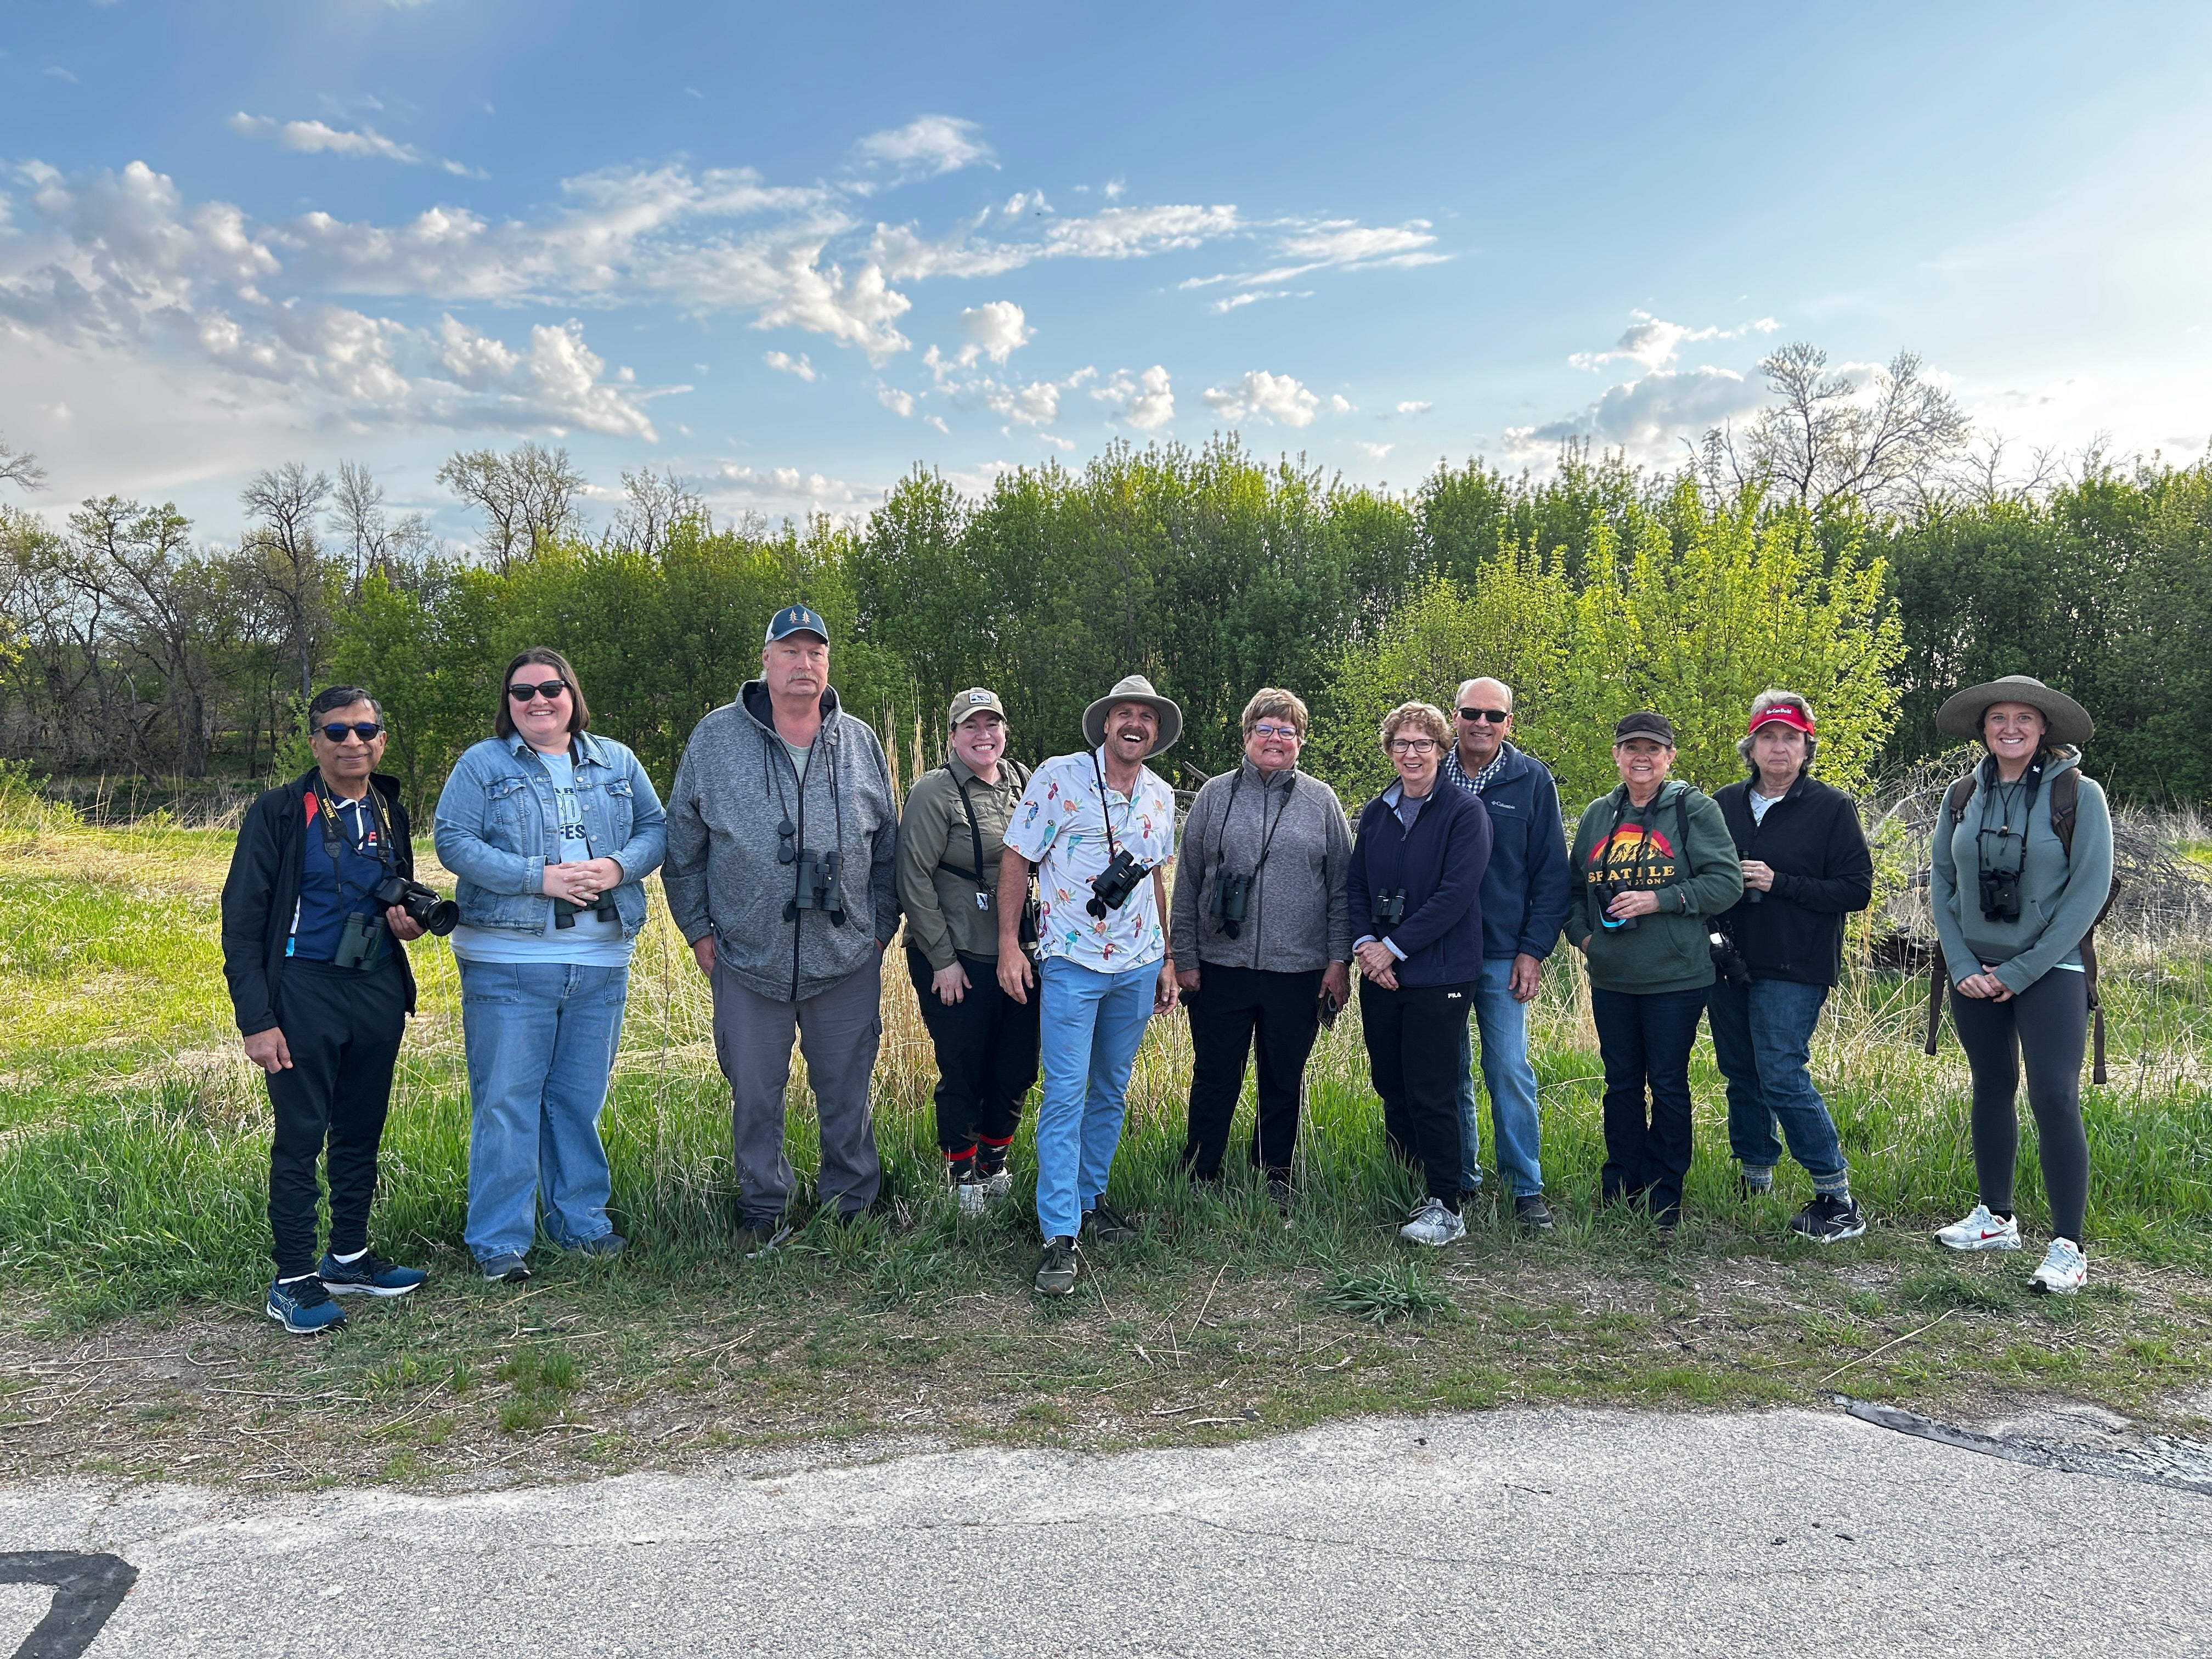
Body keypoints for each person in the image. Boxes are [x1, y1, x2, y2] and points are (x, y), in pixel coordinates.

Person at [663, 605, 900, 1255]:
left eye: (815, 653)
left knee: (847, 1091)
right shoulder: (715, 739)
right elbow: (682, 849)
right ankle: (763, 1209)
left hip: (845, 960)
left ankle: (852, 1206)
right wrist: (699, 935)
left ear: (827, 664)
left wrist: (876, 935)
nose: (804, 664)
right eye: (790, 651)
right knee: (755, 1097)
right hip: (746, 959)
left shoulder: (859, 743)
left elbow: (888, 854)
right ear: (764, 659)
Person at [434, 647, 668, 1283]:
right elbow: (452, 842)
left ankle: (581, 1224)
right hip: (509, 961)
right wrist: (537, 878)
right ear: (507, 704)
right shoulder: (482, 765)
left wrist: (618, 867)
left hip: (599, 962)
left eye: (550, 688)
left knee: (576, 1100)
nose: (538, 701)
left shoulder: (615, 760)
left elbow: (657, 827)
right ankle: (500, 1241)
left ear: (572, 692)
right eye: (522, 692)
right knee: (507, 1102)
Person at [219, 686, 431, 1334]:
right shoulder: (281, 812)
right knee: (301, 1136)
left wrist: (406, 925)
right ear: (314, 742)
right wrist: (256, 1019)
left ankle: (348, 1255)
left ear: (382, 740)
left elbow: (395, 894)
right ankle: (292, 1278)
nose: (353, 743)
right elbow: (242, 918)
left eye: (366, 730)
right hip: (303, 990)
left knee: (361, 1130)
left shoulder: (389, 806)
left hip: (374, 987)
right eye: (337, 732)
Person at [1927, 675, 2113, 1295]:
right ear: (1983, 729)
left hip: (2051, 970)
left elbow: (2086, 895)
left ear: (2043, 730)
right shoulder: (1960, 796)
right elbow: (1942, 886)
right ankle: (1996, 1217)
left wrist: (2021, 971)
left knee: (2054, 1096)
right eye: (1998, 718)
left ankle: (2068, 1246)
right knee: (1992, 1086)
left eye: (2024, 719)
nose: (2010, 728)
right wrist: (1961, 966)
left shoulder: (2080, 797)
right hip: (1973, 972)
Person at [998, 674, 1180, 1295]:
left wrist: (1166, 959)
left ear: (1155, 731)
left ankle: (1090, 1199)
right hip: (1072, 963)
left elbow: (1153, 877)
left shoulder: (1161, 793)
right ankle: (1058, 1233)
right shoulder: (1058, 777)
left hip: (1137, 964)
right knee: (1066, 1094)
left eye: (1147, 718)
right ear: (1106, 723)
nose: (1136, 724)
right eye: (1125, 714)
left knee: (1110, 1089)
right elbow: (1018, 859)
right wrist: (1007, 947)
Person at [1169, 688, 1352, 1215]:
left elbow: (1342, 888)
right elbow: (1189, 882)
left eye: (1287, 731)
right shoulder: (1214, 797)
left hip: (1298, 969)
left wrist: (1339, 962)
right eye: (1266, 729)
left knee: (1283, 1076)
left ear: (1300, 740)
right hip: (1219, 966)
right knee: (1215, 1073)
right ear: (1247, 736)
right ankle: (1200, 1170)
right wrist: (1185, 956)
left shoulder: (1322, 801)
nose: (1276, 739)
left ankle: (1275, 1175)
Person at [1563, 712, 1743, 1232]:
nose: (1641, 757)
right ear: (1616, 755)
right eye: (1630, 748)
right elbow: (1575, 889)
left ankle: (1666, 1195)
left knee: (1667, 1083)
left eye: (1653, 749)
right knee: (1620, 1084)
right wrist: (1585, 939)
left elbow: (1726, 883)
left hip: (1677, 977)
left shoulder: (1693, 809)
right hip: (1612, 975)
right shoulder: (1599, 814)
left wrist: (1659, 900)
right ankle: (1620, 1186)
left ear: (1670, 757)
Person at [1709, 692, 1874, 1243]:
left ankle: (1836, 1196)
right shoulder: (1723, 804)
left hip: (1796, 961)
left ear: (1807, 748)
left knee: (1780, 1070)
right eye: (1768, 737)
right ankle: (1755, 1175)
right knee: (1741, 1071)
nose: (1779, 747)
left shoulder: (1831, 807)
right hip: (1727, 957)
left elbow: (1856, 889)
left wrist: (1779, 883)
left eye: (1791, 738)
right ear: (1751, 746)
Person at [1347, 701, 1493, 1246]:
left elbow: (1455, 895)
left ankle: (1447, 1204)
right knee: (1392, 1082)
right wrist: (1366, 946)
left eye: (1424, 744)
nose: (1412, 754)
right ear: (1389, 750)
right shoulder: (1377, 813)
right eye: (1402, 744)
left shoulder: (1463, 813)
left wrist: (1394, 948)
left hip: (1440, 972)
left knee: (1432, 1089)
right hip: (1380, 972)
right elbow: (1356, 884)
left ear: (1442, 749)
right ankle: (1407, 1180)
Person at [896, 688, 1040, 1212]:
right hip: (956, 952)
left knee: (1018, 1064)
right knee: (964, 1065)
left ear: (1005, 731)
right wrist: (942, 960)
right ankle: (962, 1178)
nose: (984, 736)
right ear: (952, 735)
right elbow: (912, 878)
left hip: (1019, 949)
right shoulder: (935, 793)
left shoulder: (1024, 783)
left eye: (993, 725)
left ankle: (994, 1162)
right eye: (971, 726)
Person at [1440, 677, 1572, 1230]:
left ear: (1509, 724)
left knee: (1509, 1069)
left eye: (1495, 716)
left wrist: (1533, 951)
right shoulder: (1428, 771)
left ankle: (1525, 1188)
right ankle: (1459, 1180)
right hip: (1439, 953)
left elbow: (1551, 875)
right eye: (1472, 712)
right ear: (1455, 716)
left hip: (1502, 954)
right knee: (1449, 1072)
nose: (1482, 724)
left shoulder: (1531, 780)